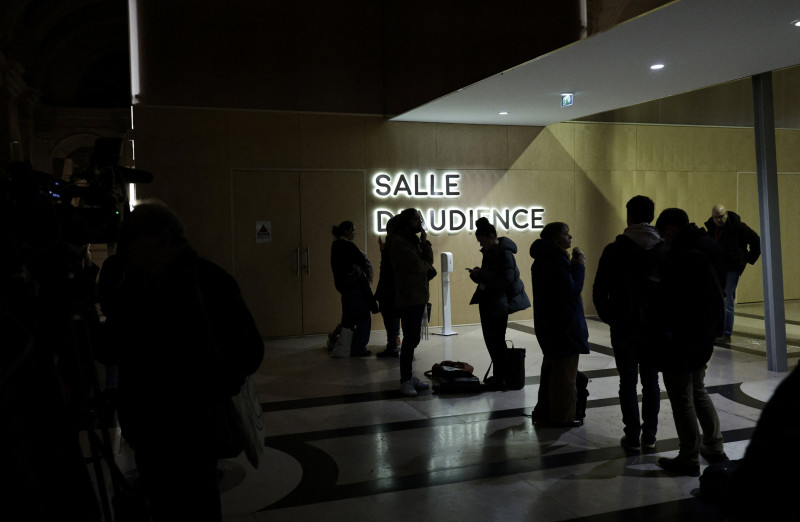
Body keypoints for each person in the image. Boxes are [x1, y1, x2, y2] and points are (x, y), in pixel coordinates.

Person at [99, 200, 264, 521]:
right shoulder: (135, 285)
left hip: (192, 431)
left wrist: (205, 388)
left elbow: (249, 351)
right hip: (150, 431)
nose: (124, 251)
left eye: (129, 241)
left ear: (156, 239)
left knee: (195, 506)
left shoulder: (207, 281)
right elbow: (110, 348)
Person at [654, 208, 728, 477]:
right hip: (704, 335)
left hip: (681, 338)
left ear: (672, 229)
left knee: (681, 397)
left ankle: (688, 457)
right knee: (698, 390)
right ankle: (715, 447)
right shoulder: (709, 245)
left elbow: (671, 302)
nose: (663, 238)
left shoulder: (679, 257)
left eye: (663, 232)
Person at [593, 195, 664, 452]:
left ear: (629, 216)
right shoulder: (664, 250)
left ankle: (632, 436)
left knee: (627, 382)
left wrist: (612, 318)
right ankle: (650, 436)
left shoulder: (614, 250)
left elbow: (599, 291)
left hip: (624, 327)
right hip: (654, 329)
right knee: (652, 382)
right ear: (652, 216)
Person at [530, 222, 589, 427]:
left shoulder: (542, 258)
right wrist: (579, 265)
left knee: (552, 371)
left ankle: (546, 410)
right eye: (566, 233)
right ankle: (562, 417)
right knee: (565, 375)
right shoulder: (556, 260)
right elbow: (571, 291)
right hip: (564, 325)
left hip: (549, 323)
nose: (570, 237)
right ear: (556, 238)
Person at [468, 217, 530, 389]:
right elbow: (492, 279)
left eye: (482, 241)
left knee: (496, 341)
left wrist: (482, 275)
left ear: (491, 236)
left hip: (498, 304)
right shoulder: (490, 253)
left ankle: (501, 376)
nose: (481, 245)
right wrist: (477, 276)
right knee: (492, 341)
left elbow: (506, 281)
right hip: (490, 301)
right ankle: (499, 375)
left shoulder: (505, 254)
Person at [387, 208, 435, 396]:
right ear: (407, 221)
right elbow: (421, 266)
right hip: (409, 297)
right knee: (410, 339)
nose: (420, 222)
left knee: (413, 338)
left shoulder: (411, 241)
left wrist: (423, 245)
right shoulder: (400, 243)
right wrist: (426, 249)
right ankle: (405, 380)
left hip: (417, 295)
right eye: (416, 219)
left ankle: (409, 377)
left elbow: (423, 265)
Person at [703, 204, 760, 343]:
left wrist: (746, 259)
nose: (718, 220)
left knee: (727, 299)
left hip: (732, 267)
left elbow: (756, 241)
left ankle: (726, 333)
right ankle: (718, 331)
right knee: (717, 299)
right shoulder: (711, 227)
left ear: (726, 214)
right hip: (717, 268)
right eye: (715, 218)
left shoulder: (738, 227)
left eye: (721, 217)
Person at [329, 220, 376, 357]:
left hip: (345, 289)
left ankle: (342, 345)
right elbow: (363, 263)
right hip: (356, 288)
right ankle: (359, 348)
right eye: (353, 230)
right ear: (346, 231)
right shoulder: (348, 247)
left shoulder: (335, 246)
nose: (354, 233)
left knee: (348, 318)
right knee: (364, 317)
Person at [374, 215, 402, 358]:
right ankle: (395, 342)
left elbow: (387, 269)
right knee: (394, 316)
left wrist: (384, 251)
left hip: (389, 288)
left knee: (390, 316)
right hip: (396, 288)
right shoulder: (401, 243)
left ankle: (392, 345)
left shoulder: (394, 244)